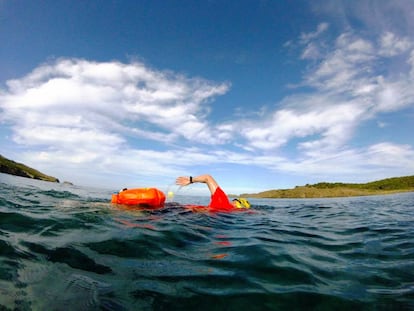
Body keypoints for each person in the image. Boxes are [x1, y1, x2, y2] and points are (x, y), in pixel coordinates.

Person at [175, 174, 250, 211]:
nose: (232, 201)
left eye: (234, 200)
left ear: (236, 203)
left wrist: (191, 180)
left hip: (178, 210)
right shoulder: (227, 210)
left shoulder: (223, 203)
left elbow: (207, 177)